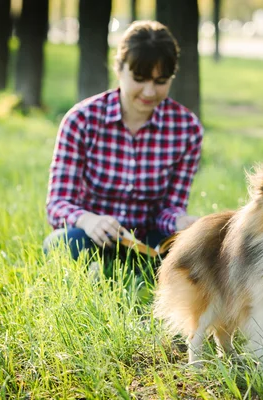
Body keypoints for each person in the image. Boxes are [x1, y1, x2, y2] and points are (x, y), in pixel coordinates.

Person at [43, 20, 203, 275]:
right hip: (90, 236)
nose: (149, 91)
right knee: (61, 244)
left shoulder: (187, 129)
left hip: (148, 242)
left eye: (161, 81)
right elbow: (58, 204)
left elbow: (169, 208)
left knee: (194, 257)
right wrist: (88, 220)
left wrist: (180, 221)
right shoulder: (81, 120)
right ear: (119, 68)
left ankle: (138, 275)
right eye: (139, 79)